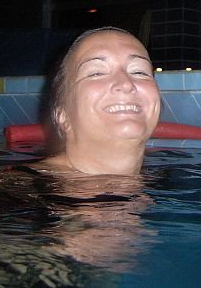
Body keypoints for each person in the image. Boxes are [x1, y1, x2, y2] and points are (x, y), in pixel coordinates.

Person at [36, 26, 162, 176]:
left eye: (139, 71)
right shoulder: (26, 186)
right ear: (63, 115)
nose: (125, 84)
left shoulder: (170, 180)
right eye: (96, 73)